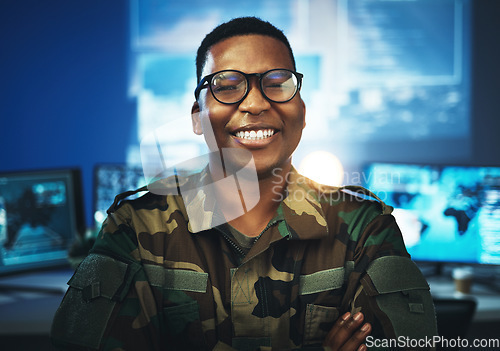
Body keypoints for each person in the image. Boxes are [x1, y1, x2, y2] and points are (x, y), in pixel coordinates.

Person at [51, 17, 437, 350]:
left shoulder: (364, 226)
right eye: (227, 84)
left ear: (302, 111)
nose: (255, 103)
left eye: (277, 81)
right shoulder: (136, 228)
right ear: (198, 116)